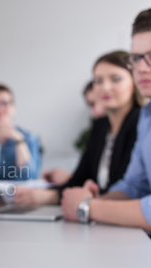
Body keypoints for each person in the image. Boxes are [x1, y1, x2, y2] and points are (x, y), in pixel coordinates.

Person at [61, 8, 151, 231]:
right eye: (136, 58)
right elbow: (134, 185)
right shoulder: (147, 117)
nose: (140, 68)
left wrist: (88, 207)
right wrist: (101, 201)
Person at [15, 51, 143, 206]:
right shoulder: (100, 126)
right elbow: (79, 179)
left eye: (116, 79)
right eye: (98, 80)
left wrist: (55, 197)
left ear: (135, 81)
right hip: (99, 213)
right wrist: (49, 195)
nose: (105, 87)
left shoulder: (142, 122)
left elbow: (130, 190)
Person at [44, 81, 107, 186]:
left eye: (102, 100)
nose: (97, 109)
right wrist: (71, 179)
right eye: (91, 104)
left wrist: (70, 179)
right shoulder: (98, 134)